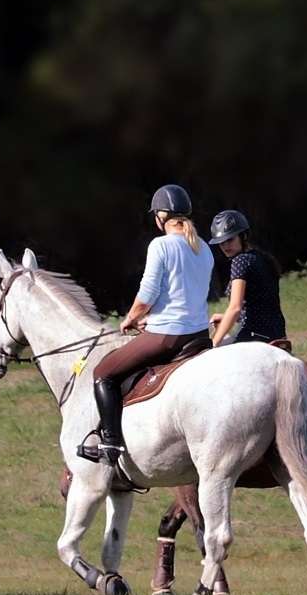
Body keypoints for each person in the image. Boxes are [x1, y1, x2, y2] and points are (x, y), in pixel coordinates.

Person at [80, 184, 214, 467]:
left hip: (168, 337)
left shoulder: (161, 245)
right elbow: (185, 294)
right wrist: (152, 317)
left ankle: (110, 444)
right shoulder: (203, 248)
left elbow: (148, 293)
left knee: (103, 372)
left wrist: (130, 318)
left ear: (160, 217)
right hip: (200, 336)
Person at [206, 209, 287, 347]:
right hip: (279, 335)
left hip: (253, 335)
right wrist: (225, 318)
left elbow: (235, 308)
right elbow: (260, 308)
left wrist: (213, 345)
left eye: (230, 240)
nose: (225, 246)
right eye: (221, 243)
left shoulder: (240, 261)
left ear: (243, 236)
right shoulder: (263, 258)